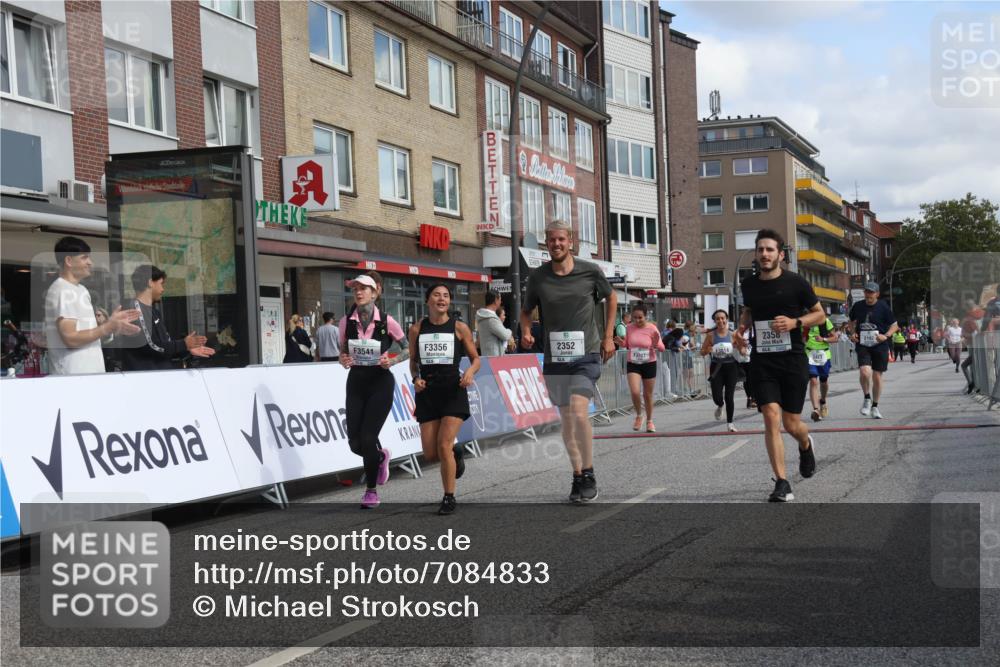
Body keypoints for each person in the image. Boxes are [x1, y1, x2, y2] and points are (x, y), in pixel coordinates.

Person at [520, 219, 616, 503]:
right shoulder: (538, 277)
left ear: (570, 241)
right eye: (551, 240)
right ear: (546, 243)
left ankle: (589, 472)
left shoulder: (590, 271)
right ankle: (576, 474)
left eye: (561, 239)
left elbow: (610, 299)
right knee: (566, 420)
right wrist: (526, 330)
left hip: (585, 354)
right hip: (556, 358)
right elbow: (527, 311)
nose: (556, 244)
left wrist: (608, 336)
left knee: (578, 410)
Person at [734, 229, 825, 502]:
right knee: (771, 418)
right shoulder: (748, 285)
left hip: (792, 359)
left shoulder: (796, 282)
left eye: (769, 250)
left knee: (792, 423)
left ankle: (806, 445)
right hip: (763, 362)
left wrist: (796, 322)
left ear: (780, 255)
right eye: (760, 249)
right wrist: (741, 328)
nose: (764, 254)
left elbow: (820, 315)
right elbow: (749, 310)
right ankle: (782, 482)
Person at [339, 272, 408, 509]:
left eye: (363, 288)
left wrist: (394, 360)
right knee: (355, 444)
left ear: (375, 292)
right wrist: (344, 359)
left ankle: (370, 492)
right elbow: (342, 352)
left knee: (368, 438)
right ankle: (379, 457)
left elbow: (408, 348)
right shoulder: (345, 322)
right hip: (356, 382)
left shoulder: (387, 321)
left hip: (380, 383)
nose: (358, 292)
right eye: (355, 288)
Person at [409, 284, 480, 515]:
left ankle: (449, 497)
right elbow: (413, 361)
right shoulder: (417, 329)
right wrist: (415, 378)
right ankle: (456, 452)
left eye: (446, 296)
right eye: (437, 295)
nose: (442, 299)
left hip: (453, 390)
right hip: (428, 393)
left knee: (443, 444)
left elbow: (475, 359)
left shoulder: (459, 328)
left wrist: (469, 372)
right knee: (431, 454)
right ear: (428, 300)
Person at [44, 236, 139, 375]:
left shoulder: (81, 290)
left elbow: (89, 335)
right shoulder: (63, 290)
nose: (90, 262)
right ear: (68, 260)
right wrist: (107, 327)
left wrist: (111, 326)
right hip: (73, 379)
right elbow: (70, 338)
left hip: (89, 375)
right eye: (84, 257)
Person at [119, 265, 215, 371]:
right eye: (161, 284)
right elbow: (150, 346)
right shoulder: (132, 311)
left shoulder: (154, 312)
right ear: (150, 282)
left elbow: (165, 346)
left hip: (162, 376)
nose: (163, 289)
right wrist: (183, 344)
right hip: (144, 380)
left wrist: (187, 348)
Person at [847, 282, 899, 419]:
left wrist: (886, 336)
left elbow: (894, 325)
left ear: (877, 294)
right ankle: (867, 398)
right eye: (866, 292)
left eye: (871, 292)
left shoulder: (883, 307)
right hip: (863, 344)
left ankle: (875, 406)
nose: (868, 294)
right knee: (865, 371)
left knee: (877, 376)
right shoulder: (858, 306)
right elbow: (851, 321)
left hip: (879, 345)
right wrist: (852, 333)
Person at [701, 309, 746, 432]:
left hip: (730, 367)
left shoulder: (733, 334)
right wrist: (708, 350)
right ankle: (720, 405)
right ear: (715, 321)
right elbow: (702, 351)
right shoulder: (711, 335)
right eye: (717, 319)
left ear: (726, 319)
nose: (720, 320)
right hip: (716, 368)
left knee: (729, 396)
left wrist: (742, 350)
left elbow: (742, 348)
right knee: (717, 396)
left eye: (722, 318)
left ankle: (730, 423)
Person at [623, 303, 665, 432]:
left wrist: (655, 345)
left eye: (640, 317)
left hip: (649, 363)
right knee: (635, 392)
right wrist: (622, 343)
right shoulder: (629, 328)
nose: (637, 320)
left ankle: (650, 421)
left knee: (647, 395)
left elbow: (662, 348)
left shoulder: (652, 329)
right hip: (633, 363)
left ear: (646, 316)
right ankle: (639, 416)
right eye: (634, 317)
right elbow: (627, 344)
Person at [805, 316, 839, 422]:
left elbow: (835, 338)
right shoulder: (804, 320)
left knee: (823, 382)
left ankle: (823, 401)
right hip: (809, 354)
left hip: (824, 354)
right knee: (813, 381)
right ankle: (816, 410)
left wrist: (823, 339)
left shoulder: (825, 321)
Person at [476, 291, 514, 357]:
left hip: (487, 356)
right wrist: (509, 331)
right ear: (496, 300)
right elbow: (505, 335)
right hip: (495, 359)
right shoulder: (491, 319)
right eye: (500, 299)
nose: (500, 302)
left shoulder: (483, 316)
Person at [736, 321, 755, 409]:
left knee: (753, 379)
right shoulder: (739, 332)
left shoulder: (754, 331)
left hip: (753, 358)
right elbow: (734, 342)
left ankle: (753, 398)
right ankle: (749, 398)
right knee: (746, 380)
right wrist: (740, 346)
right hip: (743, 359)